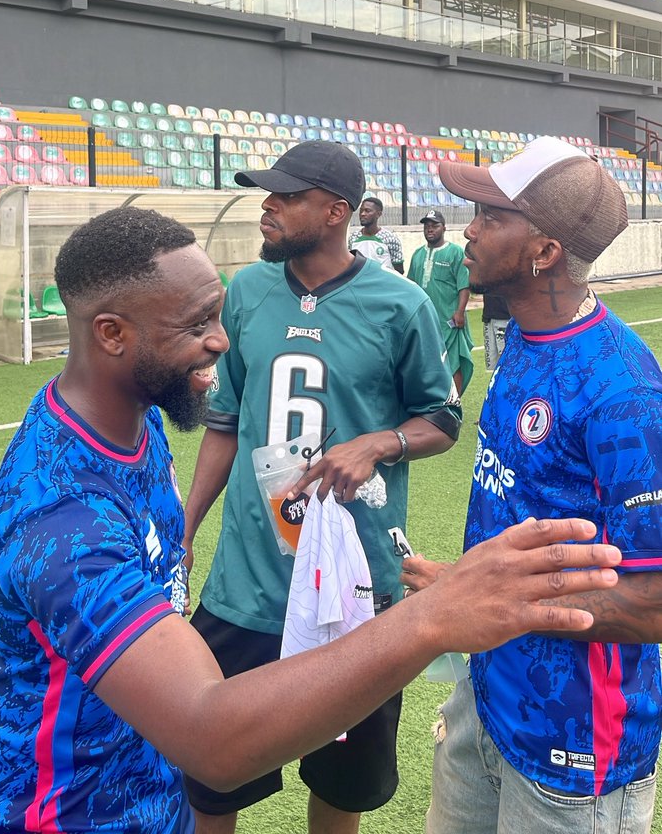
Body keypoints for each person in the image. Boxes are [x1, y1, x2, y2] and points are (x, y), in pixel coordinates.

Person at [0, 204, 624, 834]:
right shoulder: (61, 520)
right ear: (111, 333)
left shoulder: (134, 417)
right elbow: (211, 735)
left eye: (217, 314)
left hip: (150, 801)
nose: (221, 340)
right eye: (195, 325)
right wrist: (433, 617)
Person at [183, 140, 458, 833]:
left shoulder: (401, 305)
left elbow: (442, 419)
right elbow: (224, 424)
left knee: (344, 786)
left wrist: (381, 441)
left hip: (352, 590)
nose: (266, 207)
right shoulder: (245, 291)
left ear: (335, 212)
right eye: (266, 194)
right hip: (246, 587)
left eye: (285, 196)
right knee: (209, 777)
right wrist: (186, 528)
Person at [401, 136, 662, 834]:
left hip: (574, 749)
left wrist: (494, 602)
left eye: (489, 214)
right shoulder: (522, 336)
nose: (469, 229)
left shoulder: (623, 392)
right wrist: (463, 587)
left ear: (543, 251)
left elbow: (656, 601)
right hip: (485, 702)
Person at [407, 210, 474, 395]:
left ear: (444, 228)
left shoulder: (455, 252)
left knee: (453, 362)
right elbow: (411, 286)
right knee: (427, 362)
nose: (430, 229)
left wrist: (460, 312)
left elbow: (464, 284)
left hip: (449, 320)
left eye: (434, 226)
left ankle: (455, 403)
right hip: (424, 320)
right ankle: (435, 402)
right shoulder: (418, 254)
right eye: (427, 226)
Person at [348, 195, 404, 272]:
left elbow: (399, 270)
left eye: (367, 211)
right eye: (361, 210)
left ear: (378, 214)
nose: (362, 214)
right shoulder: (353, 238)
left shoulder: (389, 238)